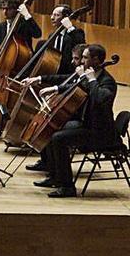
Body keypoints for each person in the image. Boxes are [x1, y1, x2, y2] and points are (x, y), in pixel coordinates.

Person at [28, 44, 118, 198]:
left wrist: (91, 80)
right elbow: (73, 84)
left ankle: (67, 186)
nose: (82, 61)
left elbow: (100, 99)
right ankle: (55, 177)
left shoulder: (107, 81)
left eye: (85, 57)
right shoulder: (90, 78)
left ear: (95, 60)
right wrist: (55, 88)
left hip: (100, 132)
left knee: (58, 139)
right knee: (52, 128)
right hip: (86, 124)